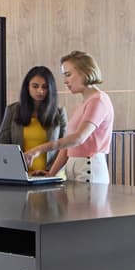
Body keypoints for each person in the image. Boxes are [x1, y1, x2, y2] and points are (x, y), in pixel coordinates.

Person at [33, 51, 114, 183]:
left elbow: (79, 138)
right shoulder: (81, 105)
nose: (65, 81)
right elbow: (68, 147)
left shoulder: (98, 101)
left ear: (85, 72)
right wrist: (51, 174)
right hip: (75, 168)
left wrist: (40, 148)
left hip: (89, 168)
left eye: (68, 75)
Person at [0, 66, 66, 175]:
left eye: (45, 87)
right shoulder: (12, 110)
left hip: (51, 175)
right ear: (27, 87)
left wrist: (51, 172)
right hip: (21, 175)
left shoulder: (59, 112)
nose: (40, 91)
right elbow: (2, 145)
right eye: (35, 86)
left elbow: (65, 147)